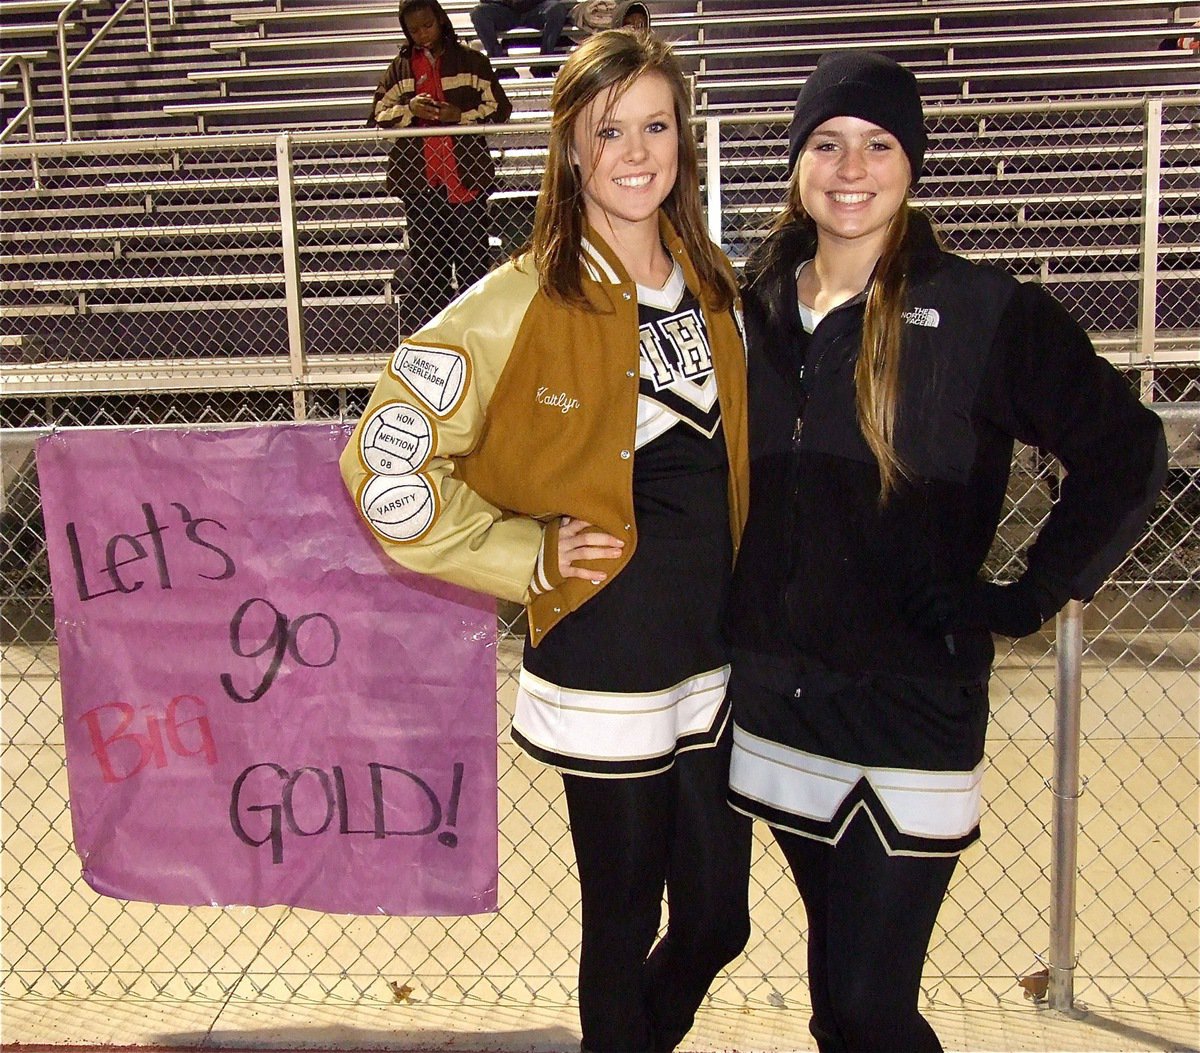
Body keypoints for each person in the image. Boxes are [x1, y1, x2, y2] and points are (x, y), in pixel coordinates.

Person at [723, 51, 1166, 1053]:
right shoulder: (748, 309)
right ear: (795, 161)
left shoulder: (980, 308)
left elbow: (1129, 452)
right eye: (827, 143)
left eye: (879, 144)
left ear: (912, 163)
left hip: (909, 714)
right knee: (839, 1006)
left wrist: (1027, 595)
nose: (851, 166)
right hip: (775, 710)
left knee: (874, 1008)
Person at [342, 29, 752, 1053]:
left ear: (683, 141)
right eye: (608, 129)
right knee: (622, 926)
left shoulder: (718, 284)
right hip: (607, 654)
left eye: (655, 124)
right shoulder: (515, 297)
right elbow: (384, 464)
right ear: (571, 148)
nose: (635, 150)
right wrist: (521, 557)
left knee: (718, 918)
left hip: (720, 653)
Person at [370, 0, 512, 326]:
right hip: (420, 186)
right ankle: (436, 338)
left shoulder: (471, 61)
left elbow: (499, 108)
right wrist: (410, 110)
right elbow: (379, 114)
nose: (422, 34)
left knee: (473, 268)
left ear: (441, 20)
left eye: (427, 25)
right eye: (414, 29)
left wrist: (459, 116)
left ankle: (474, 335)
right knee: (427, 270)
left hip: (465, 183)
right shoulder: (400, 67)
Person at [470, 0, 572, 77]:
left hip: (536, 7)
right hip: (505, 9)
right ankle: (503, 66)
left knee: (557, 9)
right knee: (478, 13)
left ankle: (543, 65)